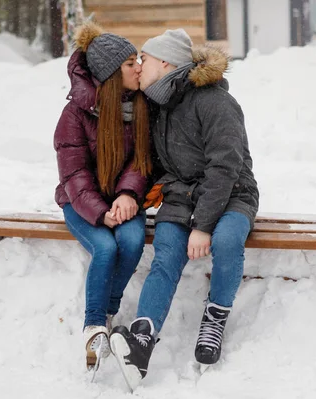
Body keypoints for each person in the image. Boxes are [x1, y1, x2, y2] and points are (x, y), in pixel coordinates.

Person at [109, 29, 259, 390]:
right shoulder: (159, 106)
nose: (139, 66)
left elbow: (224, 167)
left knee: (225, 241)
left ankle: (214, 318)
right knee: (166, 255)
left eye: (144, 59)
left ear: (165, 63)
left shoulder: (216, 103)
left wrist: (204, 225)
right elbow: (159, 163)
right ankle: (142, 339)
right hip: (181, 197)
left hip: (233, 193)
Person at [53, 22, 151, 371]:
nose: (139, 67)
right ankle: (94, 325)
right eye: (130, 63)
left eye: (137, 59)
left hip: (124, 203)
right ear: (111, 74)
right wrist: (99, 211)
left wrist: (127, 194)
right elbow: (73, 174)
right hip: (81, 202)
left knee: (132, 240)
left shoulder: (141, 106)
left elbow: (143, 160)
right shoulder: (74, 115)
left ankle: (108, 310)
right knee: (106, 247)